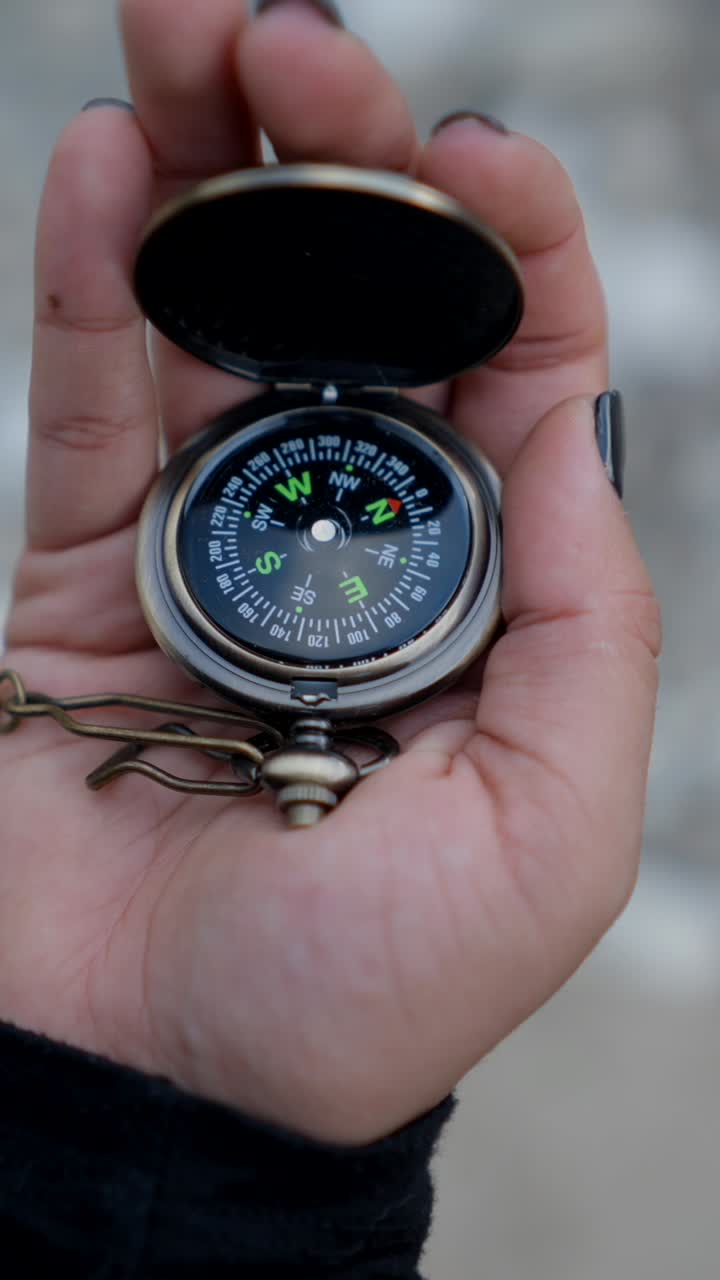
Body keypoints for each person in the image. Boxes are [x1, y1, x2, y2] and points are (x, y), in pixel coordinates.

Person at [0, 0, 661, 1274]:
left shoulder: (326, 511)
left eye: (343, 538)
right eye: (299, 527)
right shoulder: (248, 524)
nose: (318, 544)